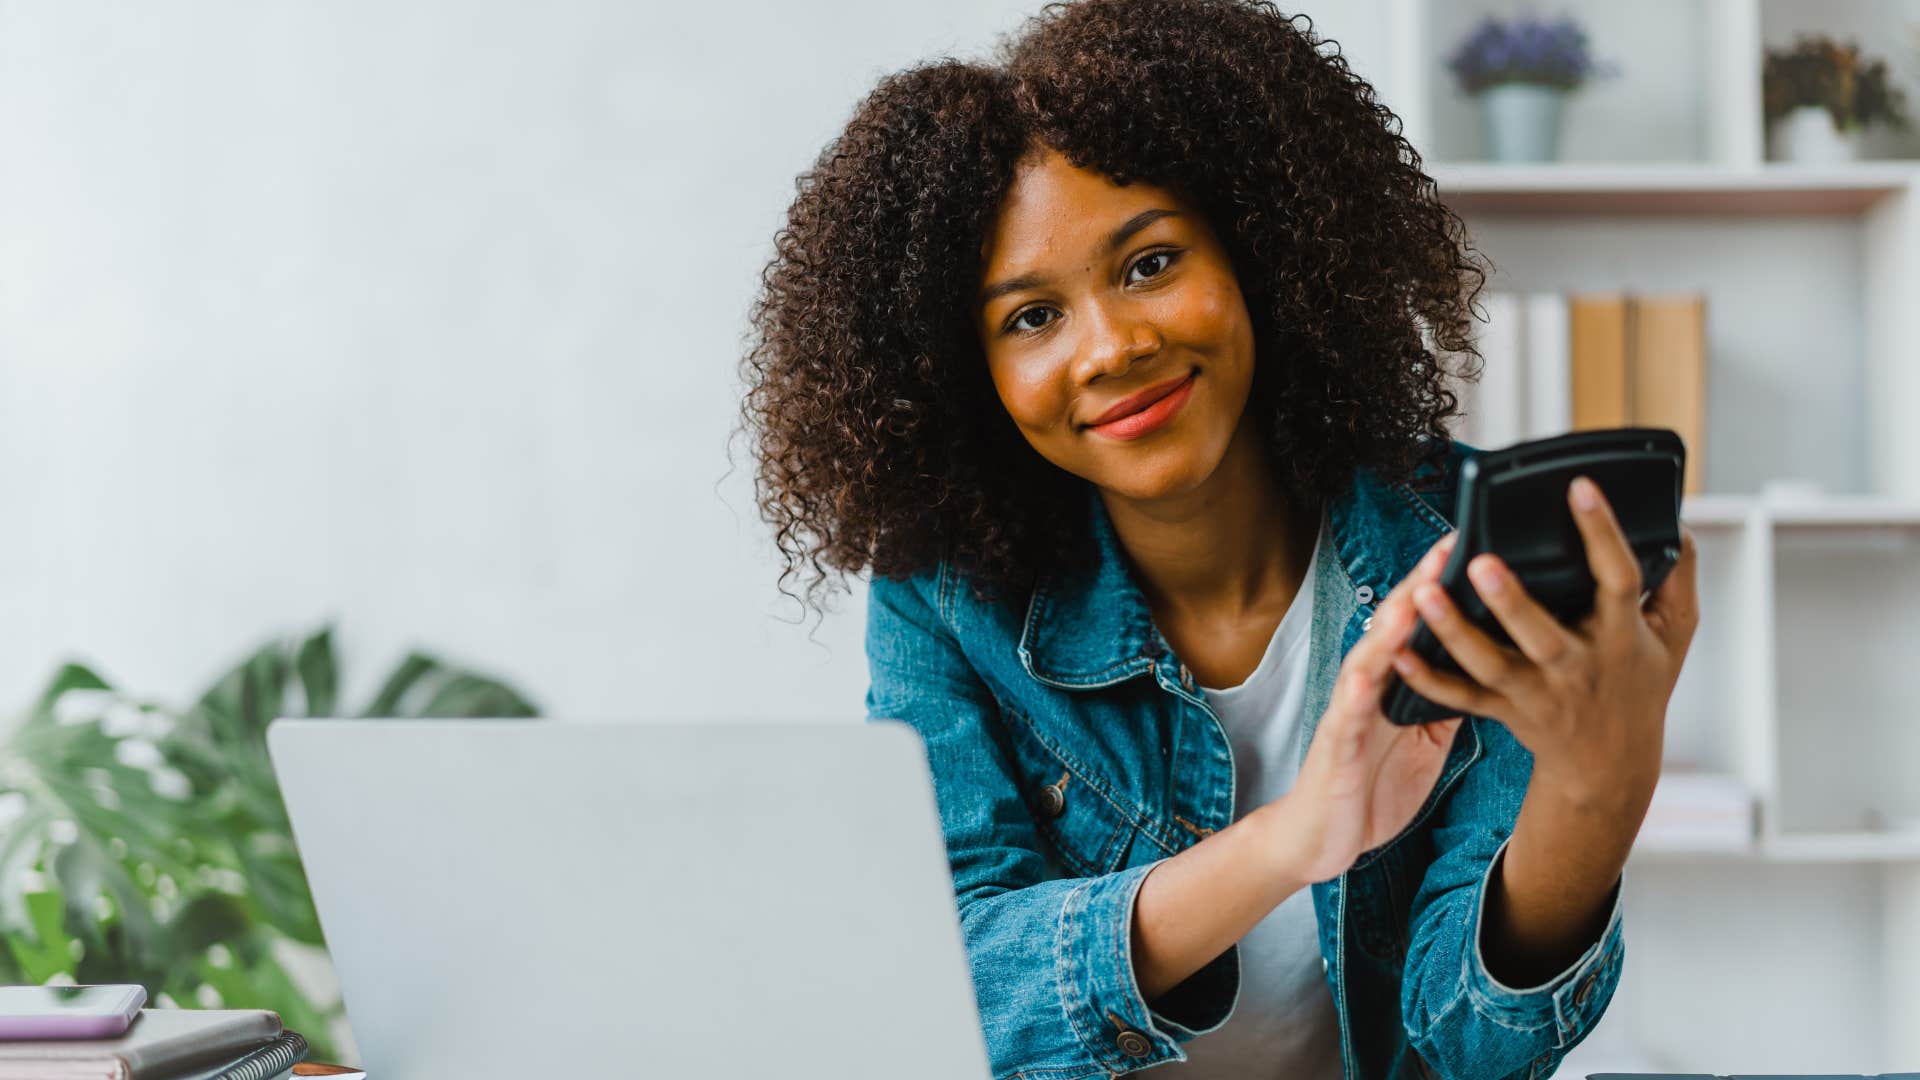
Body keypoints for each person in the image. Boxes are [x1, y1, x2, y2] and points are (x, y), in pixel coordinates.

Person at [739, 1, 1700, 1076]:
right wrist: (1297, 839)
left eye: (1149, 263)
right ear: (971, 380)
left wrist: (1598, 790)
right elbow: (958, 989)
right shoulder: (944, 600)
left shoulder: (1459, 553)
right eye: (1030, 317)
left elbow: (1475, 1047)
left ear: (1262, 253)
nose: (1112, 346)